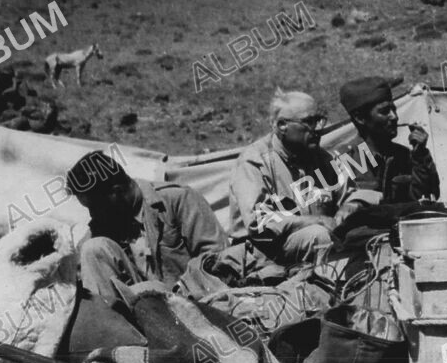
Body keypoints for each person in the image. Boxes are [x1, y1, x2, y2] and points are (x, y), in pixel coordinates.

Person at [66, 151, 226, 303]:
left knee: (151, 288)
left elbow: (218, 258)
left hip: (190, 303)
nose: (92, 214)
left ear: (117, 192)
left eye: (94, 207)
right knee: (93, 249)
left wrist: (184, 290)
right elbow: (81, 269)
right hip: (140, 316)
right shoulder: (103, 223)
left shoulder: (177, 200)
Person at [229, 89, 352, 266]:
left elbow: (350, 192)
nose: (318, 128)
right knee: (318, 235)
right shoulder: (255, 163)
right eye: (309, 122)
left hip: (309, 246)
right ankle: (323, 290)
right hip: (264, 253)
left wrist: (350, 205)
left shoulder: (322, 158)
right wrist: (316, 220)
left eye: (319, 120)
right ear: (282, 126)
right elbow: (259, 223)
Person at [337, 76, 440, 207]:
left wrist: (421, 156)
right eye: (384, 112)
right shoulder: (345, 159)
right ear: (360, 118)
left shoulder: (403, 155)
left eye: (394, 109)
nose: (394, 117)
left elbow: (425, 198)